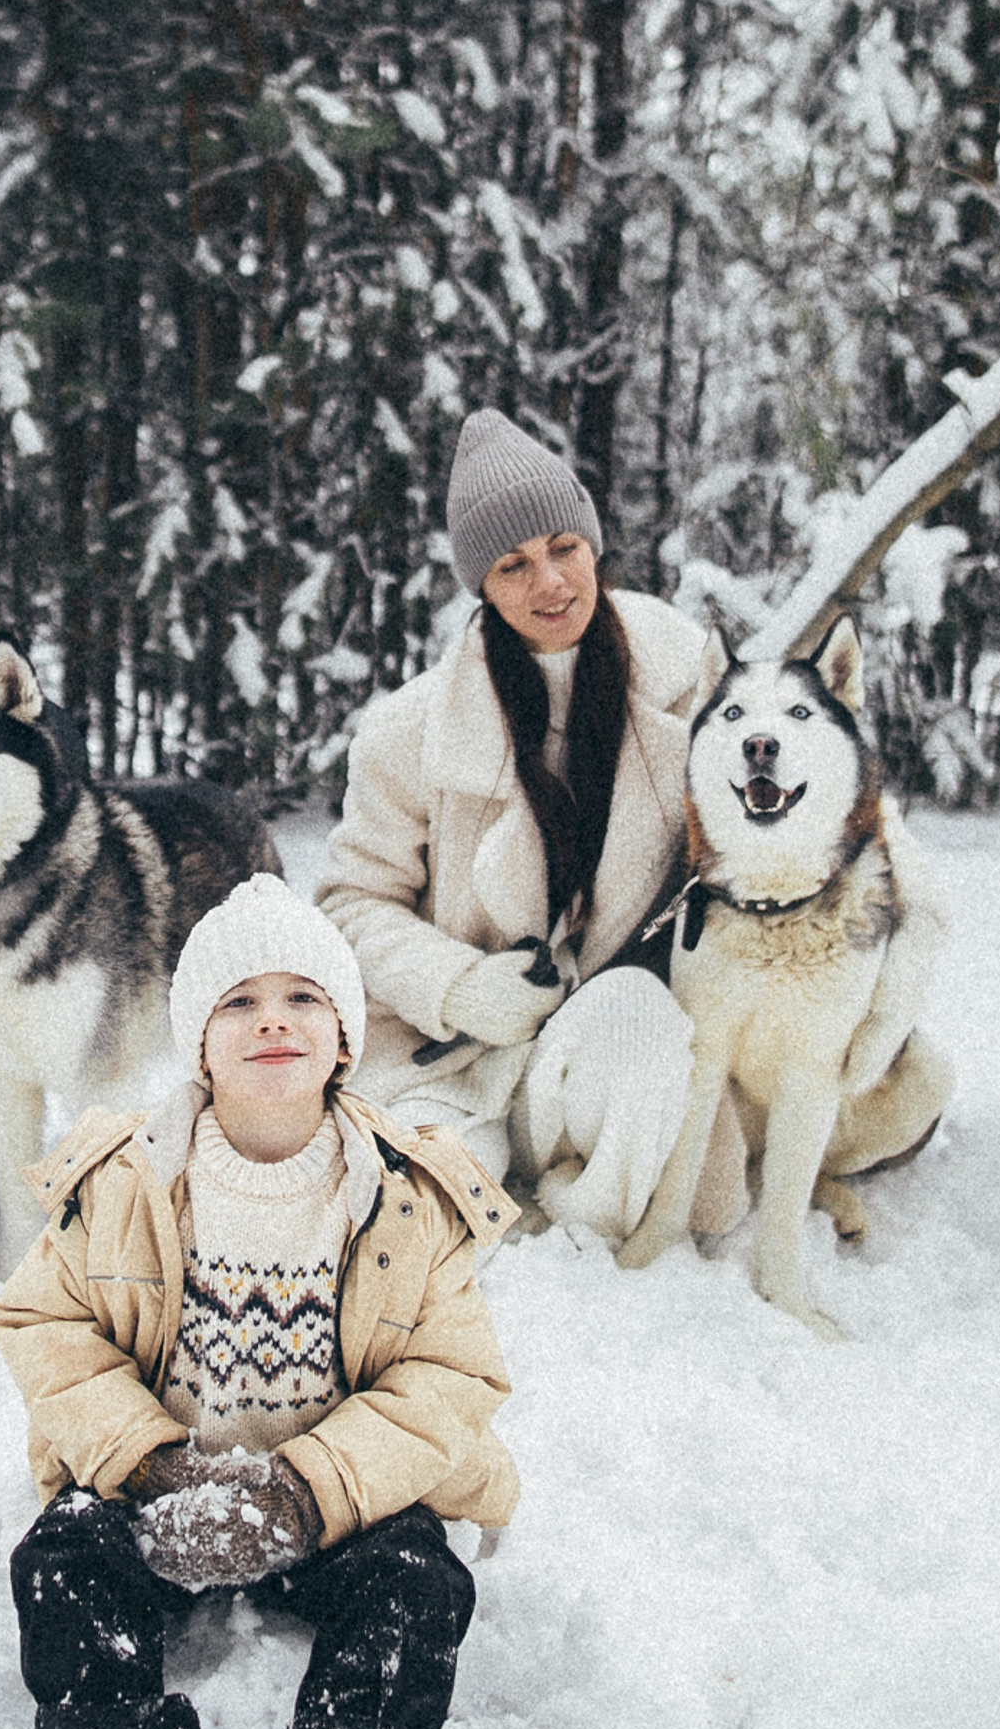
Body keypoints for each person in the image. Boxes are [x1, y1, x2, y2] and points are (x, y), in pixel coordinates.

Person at [0, 873, 518, 1729]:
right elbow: (46, 1330)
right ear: (197, 1044)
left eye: (301, 998)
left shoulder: (406, 1198)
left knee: (419, 1580)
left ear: (343, 1035)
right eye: (238, 1003)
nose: (273, 1019)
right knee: (65, 1557)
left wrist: (302, 1492)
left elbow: (453, 1381)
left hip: (330, 1512)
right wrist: (153, 1468)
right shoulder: (123, 1180)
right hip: (169, 1496)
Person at [316, 405, 745, 1245]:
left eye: (564, 549)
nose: (549, 582)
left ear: (594, 546)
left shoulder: (692, 681)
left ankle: (582, 1231)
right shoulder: (408, 734)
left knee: (636, 1015)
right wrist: (456, 985)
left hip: (610, 1051)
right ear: (481, 585)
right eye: (513, 565)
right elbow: (347, 906)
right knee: (398, 1226)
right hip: (461, 1056)